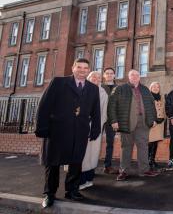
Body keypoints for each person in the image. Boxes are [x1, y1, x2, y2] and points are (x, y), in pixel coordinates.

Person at [35, 58, 101, 208]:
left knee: (76, 162)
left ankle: (72, 190)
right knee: (53, 164)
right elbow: (44, 106)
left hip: (80, 131)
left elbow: (96, 111)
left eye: (85, 68)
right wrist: (41, 127)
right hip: (57, 131)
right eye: (79, 67)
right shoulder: (58, 82)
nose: (82, 70)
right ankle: (49, 193)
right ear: (73, 68)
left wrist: (96, 129)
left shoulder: (93, 88)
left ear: (88, 70)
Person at [107, 69, 158, 181]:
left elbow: (151, 105)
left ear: (140, 77)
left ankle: (144, 170)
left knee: (143, 147)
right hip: (126, 123)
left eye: (137, 75)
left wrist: (154, 119)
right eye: (132, 75)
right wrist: (114, 121)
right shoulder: (120, 88)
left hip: (143, 123)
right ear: (128, 77)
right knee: (126, 147)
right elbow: (111, 105)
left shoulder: (145, 89)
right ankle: (124, 171)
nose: (135, 77)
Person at [80, 71, 108, 190]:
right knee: (81, 153)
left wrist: (97, 125)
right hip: (80, 126)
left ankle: (89, 178)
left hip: (95, 127)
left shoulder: (103, 93)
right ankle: (80, 180)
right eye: (93, 77)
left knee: (92, 154)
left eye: (98, 78)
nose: (95, 79)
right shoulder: (81, 88)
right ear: (88, 78)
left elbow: (104, 113)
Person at [101, 67, 119, 174]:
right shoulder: (99, 87)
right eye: (107, 73)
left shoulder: (118, 88)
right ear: (104, 75)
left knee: (110, 143)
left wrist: (117, 120)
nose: (109, 75)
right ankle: (89, 167)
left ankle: (107, 166)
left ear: (114, 75)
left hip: (112, 120)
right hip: (99, 118)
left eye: (111, 73)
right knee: (94, 142)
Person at [148, 82, 166, 170]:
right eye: (154, 87)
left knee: (155, 142)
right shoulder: (147, 97)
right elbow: (146, 110)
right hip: (152, 123)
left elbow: (163, 109)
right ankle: (147, 161)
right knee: (150, 143)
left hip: (160, 123)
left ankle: (152, 160)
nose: (156, 88)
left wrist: (164, 118)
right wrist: (152, 120)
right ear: (150, 88)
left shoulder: (161, 97)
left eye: (157, 87)